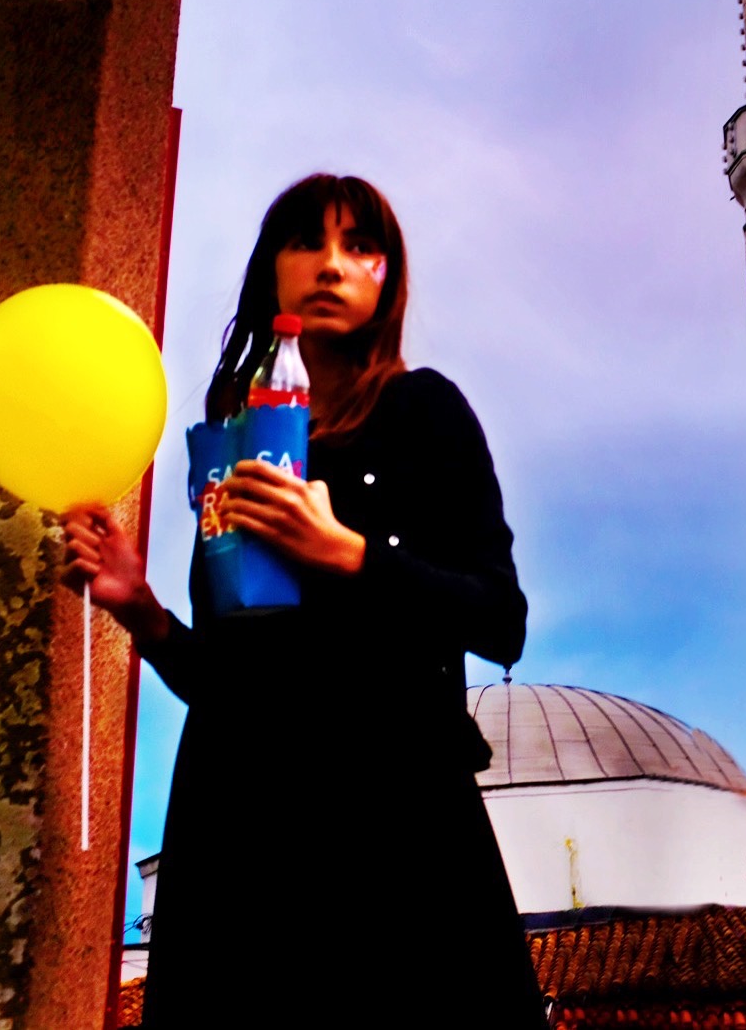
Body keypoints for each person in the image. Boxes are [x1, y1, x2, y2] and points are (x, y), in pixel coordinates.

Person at [61, 174, 547, 1027]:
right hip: (237, 822)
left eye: (359, 245)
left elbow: (499, 619)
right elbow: (231, 680)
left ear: (388, 279)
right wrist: (137, 604)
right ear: (269, 271)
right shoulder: (232, 439)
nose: (331, 265)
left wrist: (349, 553)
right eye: (305, 242)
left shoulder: (423, 410)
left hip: (390, 822)